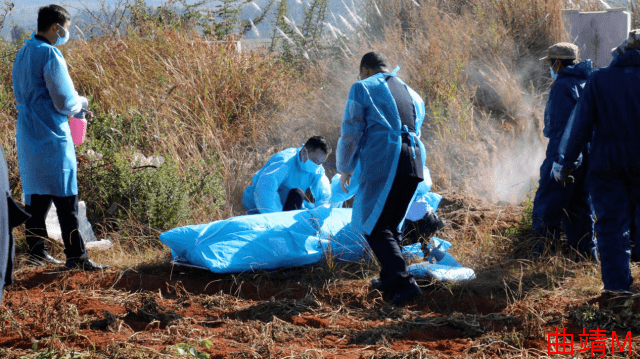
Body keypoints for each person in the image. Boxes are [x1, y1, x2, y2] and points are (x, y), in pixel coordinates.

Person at [12, 5, 107, 270]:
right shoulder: (51, 54)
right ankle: (77, 257)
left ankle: (36, 252)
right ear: (56, 27)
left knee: (36, 193)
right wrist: (82, 103)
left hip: (28, 133)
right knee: (65, 195)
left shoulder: (23, 52)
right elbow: (65, 101)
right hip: (51, 132)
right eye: (66, 26)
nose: (66, 32)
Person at [336, 51, 426, 306]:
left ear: (365, 69)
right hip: (415, 158)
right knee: (390, 223)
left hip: (387, 159)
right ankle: (389, 278)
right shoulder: (411, 91)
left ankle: (404, 283)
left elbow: (352, 129)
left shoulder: (362, 88)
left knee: (374, 225)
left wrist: (345, 167)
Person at [554, 30, 640, 292]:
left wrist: (565, 161)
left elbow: (579, 124)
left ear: (623, 51)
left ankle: (616, 288)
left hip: (607, 163)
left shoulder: (600, 79)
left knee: (612, 225)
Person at [531, 42, 597, 260]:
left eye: (550, 63)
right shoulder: (587, 82)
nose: (549, 67)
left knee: (547, 205)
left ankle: (542, 258)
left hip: (564, 154)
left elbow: (562, 129)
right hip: (587, 155)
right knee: (580, 207)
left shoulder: (562, 85)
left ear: (557, 63)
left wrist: (560, 162)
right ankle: (586, 259)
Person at [243, 136, 331, 214]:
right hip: (259, 205)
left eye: (321, 163)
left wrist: (320, 214)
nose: (317, 165)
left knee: (297, 195)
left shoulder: (317, 169)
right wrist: (276, 218)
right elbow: (266, 187)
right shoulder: (285, 162)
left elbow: (325, 194)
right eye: (315, 160)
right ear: (304, 151)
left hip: (285, 205)